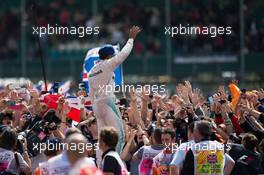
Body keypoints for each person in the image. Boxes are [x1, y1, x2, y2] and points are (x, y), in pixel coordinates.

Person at [88, 26, 141, 156]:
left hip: (97, 106)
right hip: (107, 102)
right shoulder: (107, 64)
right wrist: (131, 39)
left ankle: (101, 165)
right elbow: (123, 55)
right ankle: (113, 161)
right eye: (112, 56)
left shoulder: (91, 72)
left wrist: (95, 108)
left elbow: (91, 94)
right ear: (109, 56)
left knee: (103, 138)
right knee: (119, 135)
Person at [170, 120, 235, 175]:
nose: (193, 134)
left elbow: (176, 167)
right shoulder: (220, 146)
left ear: (197, 132)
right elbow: (231, 162)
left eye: (194, 131)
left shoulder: (193, 149)